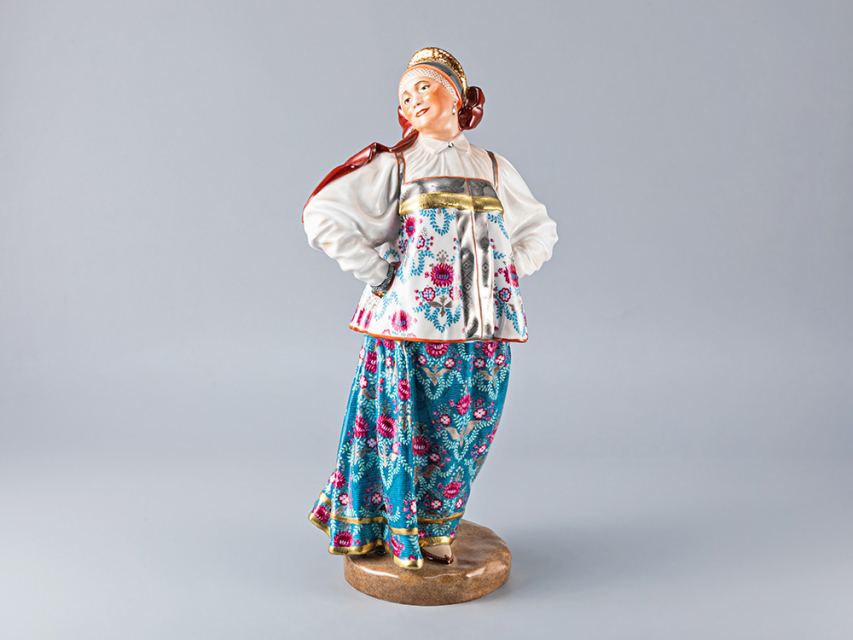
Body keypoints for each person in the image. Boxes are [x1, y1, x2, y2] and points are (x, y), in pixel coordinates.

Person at [303, 47, 557, 569]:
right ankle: (396, 526)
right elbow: (322, 214)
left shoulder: (492, 167)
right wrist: (380, 274)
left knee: (468, 428)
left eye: (424, 86)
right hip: (409, 331)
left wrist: (504, 273)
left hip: (482, 331)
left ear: (457, 95)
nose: (413, 99)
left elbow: (538, 229)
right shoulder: (395, 164)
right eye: (404, 95)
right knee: (408, 428)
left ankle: (439, 525)